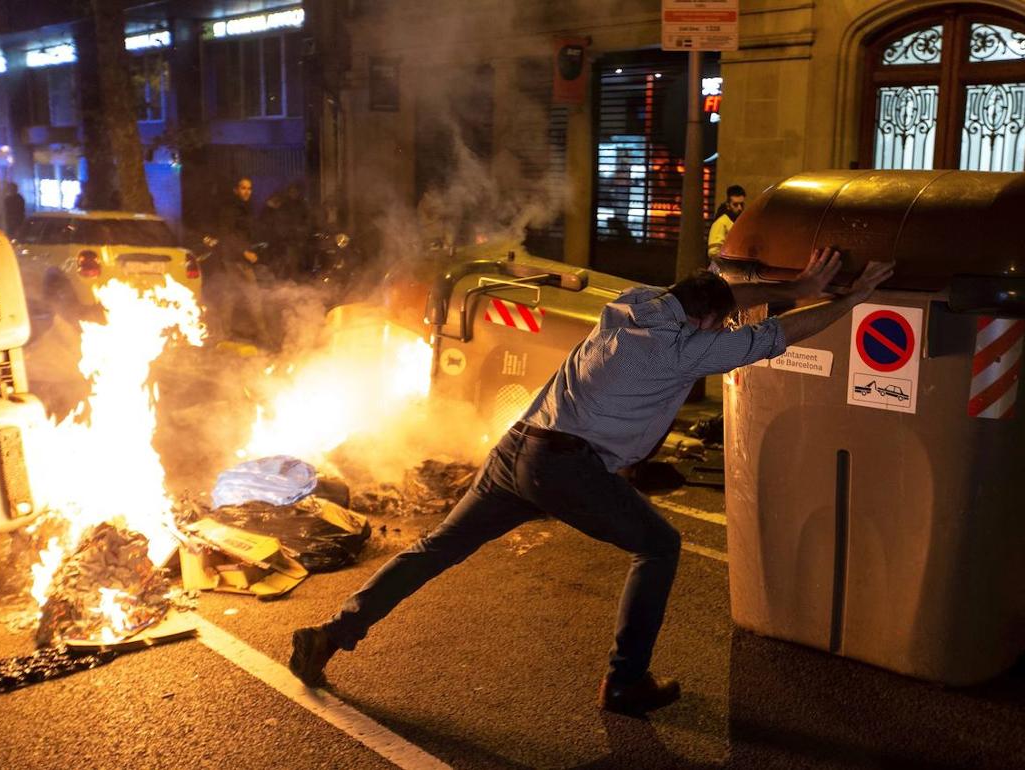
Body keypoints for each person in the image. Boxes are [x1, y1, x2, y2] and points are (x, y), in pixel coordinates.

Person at [289, 247, 895, 715]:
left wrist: (799, 285)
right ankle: (625, 681)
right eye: (720, 321)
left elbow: (722, 292)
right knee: (658, 546)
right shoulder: (684, 351)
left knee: (437, 548)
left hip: (518, 448)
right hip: (566, 467)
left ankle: (333, 633)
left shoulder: (641, 303)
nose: (721, 327)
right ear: (707, 320)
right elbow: (781, 334)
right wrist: (848, 299)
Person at [205, 177, 269, 346]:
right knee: (253, 295)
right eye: (243, 188)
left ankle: (223, 334)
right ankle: (262, 335)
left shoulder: (244, 208)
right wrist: (245, 252)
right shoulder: (231, 209)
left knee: (229, 296)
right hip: (236, 259)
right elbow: (228, 234)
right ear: (236, 190)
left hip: (232, 258)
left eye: (249, 188)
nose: (247, 191)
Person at [707, 184, 746, 261]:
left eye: (741, 204)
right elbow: (713, 252)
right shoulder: (721, 223)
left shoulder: (738, 222)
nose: (740, 208)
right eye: (735, 204)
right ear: (728, 205)